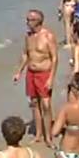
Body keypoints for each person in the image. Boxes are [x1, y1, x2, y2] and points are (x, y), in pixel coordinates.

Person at [14, 9, 58, 146]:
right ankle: (38, 134)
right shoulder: (28, 36)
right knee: (34, 104)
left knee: (46, 105)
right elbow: (25, 55)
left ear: (38, 21)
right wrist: (19, 72)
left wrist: (51, 78)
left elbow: (55, 58)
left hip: (44, 73)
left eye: (30, 20)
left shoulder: (48, 36)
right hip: (31, 73)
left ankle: (48, 137)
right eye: (27, 20)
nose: (27, 23)